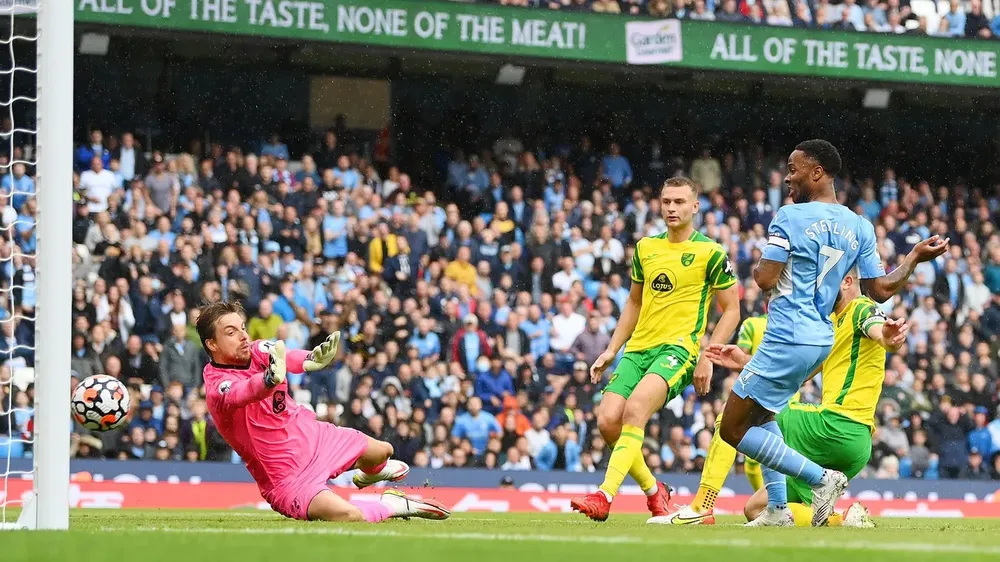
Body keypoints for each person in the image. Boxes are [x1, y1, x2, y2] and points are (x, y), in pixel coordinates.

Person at [717, 139, 948, 527]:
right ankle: (777, 509)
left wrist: (757, 266)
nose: (787, 177)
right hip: (820, 338)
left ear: (817, 172)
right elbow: (880, 290)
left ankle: (819, 479)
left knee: (732, 427)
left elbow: (765, 278)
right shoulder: (859, 225)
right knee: (764, 413)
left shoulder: (789, 217)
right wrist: (913, 258)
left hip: (788, 332)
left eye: (793, 169)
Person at [652, 268, 905, 527]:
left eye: (824, 282)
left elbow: (881, 332)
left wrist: (889, 338)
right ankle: (840, 520)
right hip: (853, 446)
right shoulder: (831, 323)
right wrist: (745, 362)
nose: (819, 290)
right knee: (755, 509)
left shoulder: (861, 308)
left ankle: (702, 507)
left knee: (736, 414)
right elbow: (800, 373)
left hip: (836, 425)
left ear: (847, 281)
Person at [570, 177, 742, 522]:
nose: (672, 208)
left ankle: (604, 495)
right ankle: (654, 491)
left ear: (695, 207)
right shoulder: (645, 248)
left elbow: (732, 309)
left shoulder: (710, 252)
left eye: (679, 202)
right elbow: (634, 302)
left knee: (635, 409)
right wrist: (611, 349)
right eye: (666, 202)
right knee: (607, 422)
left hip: (678, 350)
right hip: (637, 349)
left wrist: (707, 356)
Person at [196, 300, 450, 523]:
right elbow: (243, 392)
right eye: (231, 332)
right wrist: (268, 380)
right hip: (286, 478)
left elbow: (289, 357)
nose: (243, 336)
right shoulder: (218, 386)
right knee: (348, 516)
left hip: (315, 438)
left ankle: (370, 473)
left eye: (242, 328)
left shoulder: (259, 350)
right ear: (212, 344)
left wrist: (311, 359)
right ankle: (393, 505)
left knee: (384, 450)